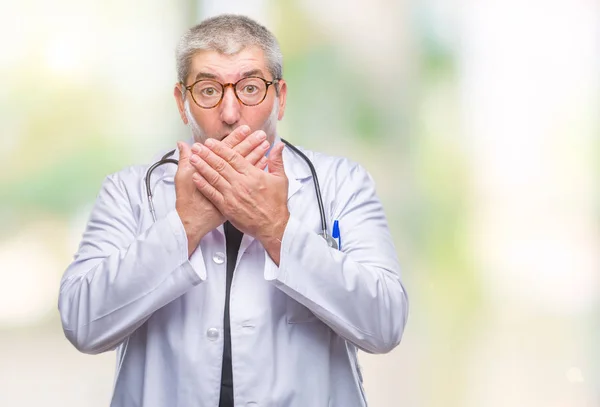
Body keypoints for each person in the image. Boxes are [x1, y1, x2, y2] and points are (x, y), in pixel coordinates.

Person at [58, 14, 409, 407]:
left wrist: (277, 229)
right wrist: (185, 226)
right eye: (208, 90)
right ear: (182, 102)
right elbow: (82, 324)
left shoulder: (340, 183)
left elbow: (385, 325)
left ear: (281, 98)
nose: (229, 113)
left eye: (250, 88)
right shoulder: (129, 192)